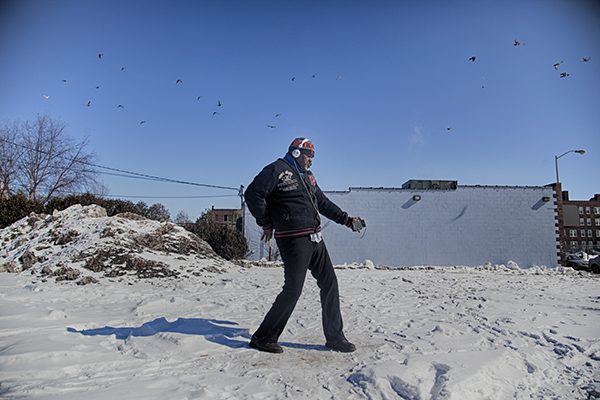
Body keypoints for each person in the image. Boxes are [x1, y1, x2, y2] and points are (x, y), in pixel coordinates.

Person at [244, 138, 364, 353]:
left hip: (315, 238)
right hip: (293, 240)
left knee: (329, 282)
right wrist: (266, 222)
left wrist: (347, 220)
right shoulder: (277, 169)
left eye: (313, 157)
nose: (311, 160)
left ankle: (335, 338)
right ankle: (263, 338)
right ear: (297, 153)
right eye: (309, 155)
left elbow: (323, 203)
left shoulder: (308, 177)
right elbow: (253, 194)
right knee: (293, 288)